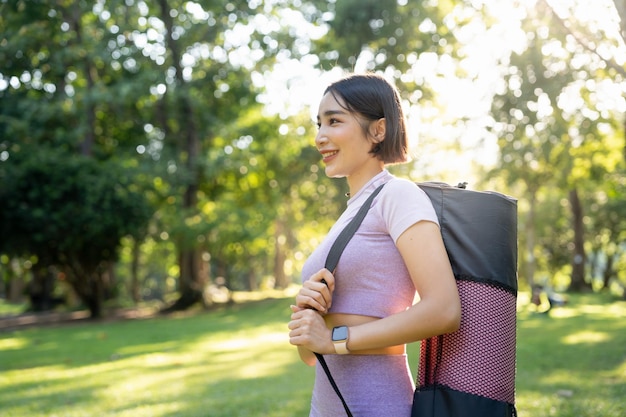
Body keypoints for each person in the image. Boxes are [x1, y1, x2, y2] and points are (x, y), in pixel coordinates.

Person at [287, 73, 462, 417]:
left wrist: (335, 339)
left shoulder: (398, 195)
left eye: (334, 121)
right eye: (318, 123)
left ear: (379, 130)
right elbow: (312, 355)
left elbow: (444, 309)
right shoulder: (350, 214)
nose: (320, 137)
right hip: (325, 407)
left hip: (378, 405)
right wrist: (310, 316)